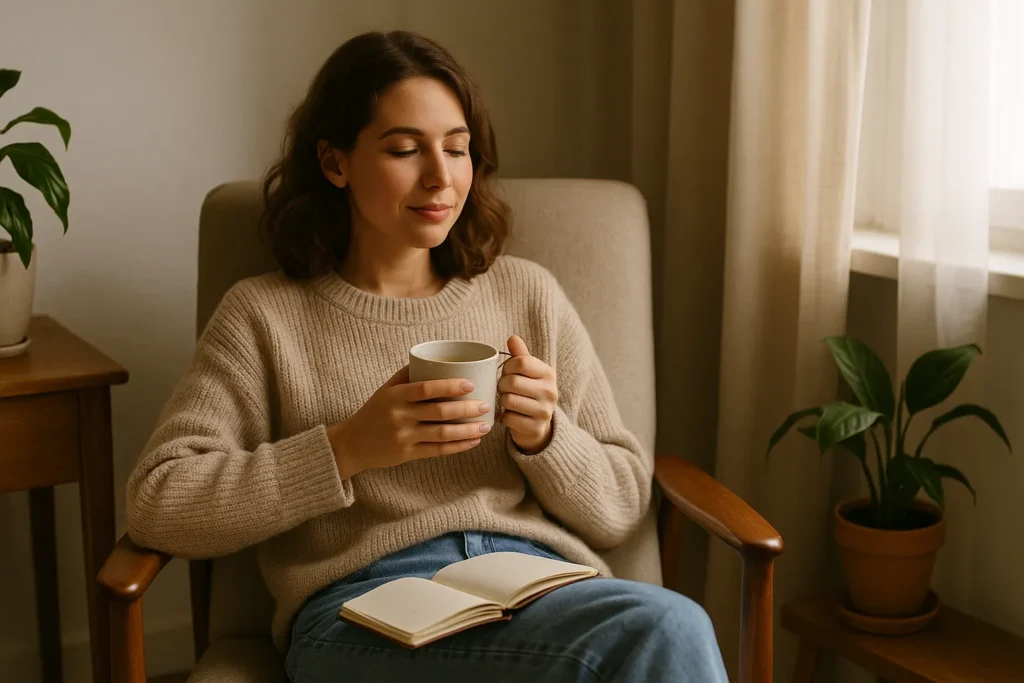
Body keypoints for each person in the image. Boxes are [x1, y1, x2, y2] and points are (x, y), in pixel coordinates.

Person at [126, 30, 728, 683]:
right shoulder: (264, 315)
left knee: (669, 626)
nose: (442, 176)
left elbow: (620, 503)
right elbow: (160, 500)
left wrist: (547, 437)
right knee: (666, 634)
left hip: (538, 590)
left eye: (458, 148)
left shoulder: (527, 294)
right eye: (406, 149)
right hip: (361, 613)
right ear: (335, 163)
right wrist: (345, 448)